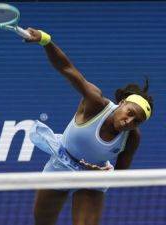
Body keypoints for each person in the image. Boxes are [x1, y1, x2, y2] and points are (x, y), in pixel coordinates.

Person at [24, 28, 154, 225]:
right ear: (122, 103)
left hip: (92, 181)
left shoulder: (133, 137)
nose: (130, 122)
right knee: (42, 222)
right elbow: (67, 69)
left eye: (137, 121)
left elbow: (121, 175)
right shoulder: (95, 103)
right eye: (130, 113)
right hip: (60, 165)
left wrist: (105, 173)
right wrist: (45, 40)